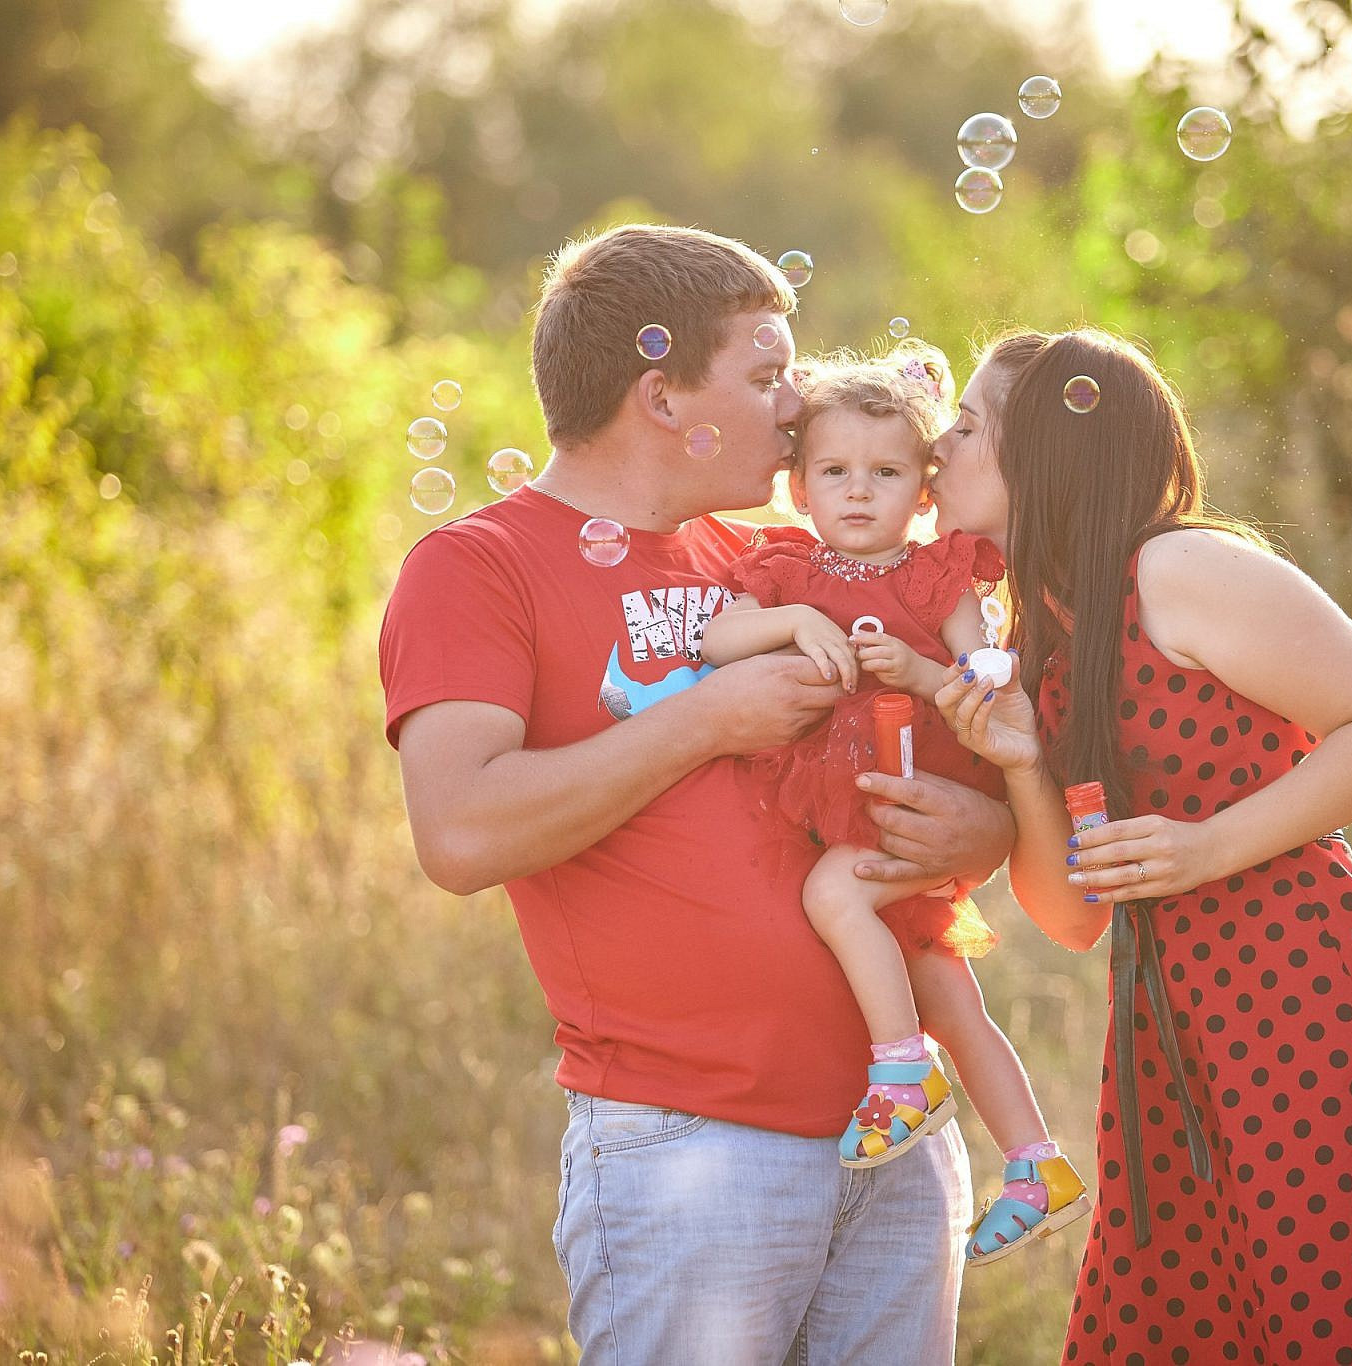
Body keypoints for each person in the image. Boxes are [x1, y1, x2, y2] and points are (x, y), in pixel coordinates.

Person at [377, 224, 1015, 1364]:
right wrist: (705, 718)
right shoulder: (479, 565)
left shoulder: (779, 550)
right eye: (767, 374)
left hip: (896, 1127)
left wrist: (988, 825)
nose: (795, 408)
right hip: (693, 1150)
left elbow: (950, 736)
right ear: (661, 393)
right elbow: (461, 831)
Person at [920, 327, 1352, 1364]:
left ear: (1045, 449)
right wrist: (1023, 761)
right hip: (1168, 1014)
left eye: (965, 425)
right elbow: (1073, 914)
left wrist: (1206, 848)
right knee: (1197, 1310)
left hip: (1297, 981)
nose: (938, 448)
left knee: (1317, 1293)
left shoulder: (1178, 567)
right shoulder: (1039, 632)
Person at [699, 339, 1089, 1264]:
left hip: (917, 795)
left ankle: (901, 1072)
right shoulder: (788, 570)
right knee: (953, 997)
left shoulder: (934, 575)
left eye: (886, 472)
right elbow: (715, 642)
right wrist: (795, 623)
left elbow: (983, 670)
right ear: (799, 486)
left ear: (925, 489)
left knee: (834, 896)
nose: (859, 492)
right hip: (852, 793)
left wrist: (915, 668)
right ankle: (1038, 1166)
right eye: (834, 472)